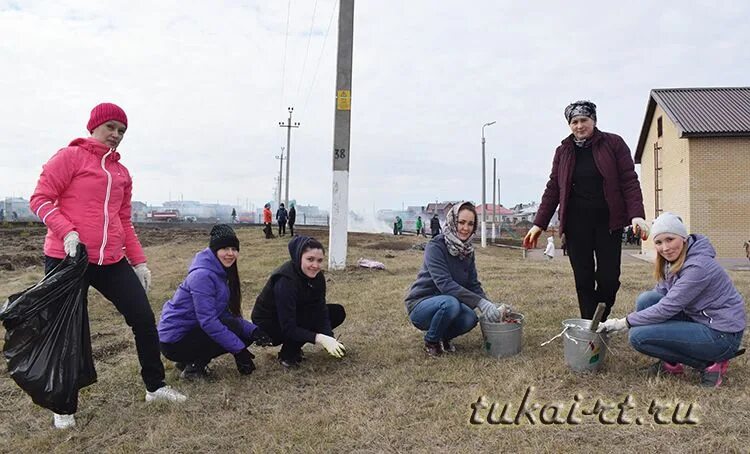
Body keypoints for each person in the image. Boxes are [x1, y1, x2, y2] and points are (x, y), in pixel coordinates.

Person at [29, 102, 186, 429]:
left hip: (111, 259)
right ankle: (63, 404)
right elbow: (40, 200)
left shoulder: (121, 173)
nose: (116, 135)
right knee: (69, 332)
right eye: (111, 127)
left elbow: (123, 220)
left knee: (143, 317)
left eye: (122, 131)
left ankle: (155, 386)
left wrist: (139, 261)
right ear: (94, 126)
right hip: (67, 258)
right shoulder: (69, 157)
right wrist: (66, 231)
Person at [524, 100, 648, 322]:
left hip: (608, 223)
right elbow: (553, 187)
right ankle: (588, 329)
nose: (579, 126)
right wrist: (538, 224)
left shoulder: (614, 144)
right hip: (576, 224)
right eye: (574, 122)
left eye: (584, 120)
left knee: (609, 279)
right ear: (569, 125)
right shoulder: (563, 151)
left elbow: (629, 180)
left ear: (594, 120)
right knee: (583, 279)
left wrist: (636, 215)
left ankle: (598, 320)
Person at [598, 213, 746, 388]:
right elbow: (659, 297)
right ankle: (672, 364)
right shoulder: (672, 261)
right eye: (659, 242)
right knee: (647, 300)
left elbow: (667, 308)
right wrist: (637, 318)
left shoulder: (698, 266)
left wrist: (623, 323)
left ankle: (710, 365)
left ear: (683, 238)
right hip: (701, 320)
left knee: (638, 337)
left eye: (670, 239)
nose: (665, 248)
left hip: (722, 335)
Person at [158, 225, 273, 379]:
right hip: (174, 341)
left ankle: (189, 361)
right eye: (225, 248)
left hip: (189, 332)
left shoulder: (219, 272)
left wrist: (254, 331)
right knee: (235, 332)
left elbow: (223, 314)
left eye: (234, 248)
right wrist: (239, 351)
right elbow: (208, 321)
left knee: (243, 332)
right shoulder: (203, 276)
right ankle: (193, 368)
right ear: (214, 250)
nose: (230, 253)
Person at [404, 202, 510, 357]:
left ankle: (444, 337)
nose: (465, 228)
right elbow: (445, 284)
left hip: (447, 303)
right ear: (453, 221)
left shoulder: (467, 251)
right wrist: (480, 303)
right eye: (461, 222)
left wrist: (489, 305)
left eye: (470, 224)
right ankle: (431, 341)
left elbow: (473, 284)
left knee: (470, 318)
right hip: (422, 305)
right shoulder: (435, 246)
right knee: (450, 303)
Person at [252, 236, 347, 368]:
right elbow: (288, 326)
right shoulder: (286, 281)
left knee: (336, 312)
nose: (315, 265)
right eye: (310, 259)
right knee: (306, 320)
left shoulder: (317, 276)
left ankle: (293, 347)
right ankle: (288, 354)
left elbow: (320, 309)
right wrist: (320, 338)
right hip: (269, 325)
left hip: (294, 314)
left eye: (319, 260)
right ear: (298, 257)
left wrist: (329, 337)